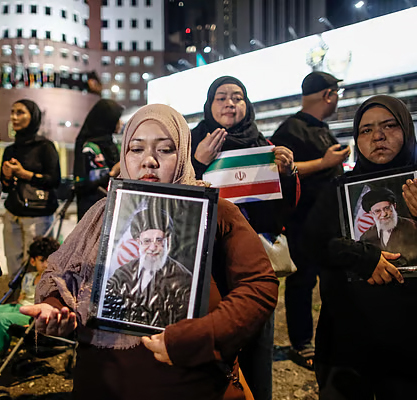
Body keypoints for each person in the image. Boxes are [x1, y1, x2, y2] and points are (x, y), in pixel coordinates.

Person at [20, 103, 279, 400]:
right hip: (102, 383)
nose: (149, 161)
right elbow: (67, 278)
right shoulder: (102, 215)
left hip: (188, 385)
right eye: (136, 149)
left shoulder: (215, 213)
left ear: (183, 152)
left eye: (165, 149)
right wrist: (55, 308)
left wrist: (201, 336)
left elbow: (258, 286)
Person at [306, 95, 417, 399]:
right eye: (366, 130)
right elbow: (313, 244)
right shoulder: (337, 192)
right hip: (351, 345)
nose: (378, 136)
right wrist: (360, 257)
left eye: (389, 126)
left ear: (406, 128)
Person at [190, 76, 298, 399]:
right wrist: (196, 162)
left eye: (237, 97)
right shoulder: (192, 143)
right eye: (221, 97)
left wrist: (286, 174)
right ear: (209, 105)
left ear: (247, 105)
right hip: (206, 263)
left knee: (256, 339)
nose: (230, 104)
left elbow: (283, 209)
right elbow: (176, 198)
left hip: (252, 261)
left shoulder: (263, 146)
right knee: (210, 343)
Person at [269, 71, 349, 370]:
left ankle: (333, 338)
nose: (337, 100)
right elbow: (276, 169)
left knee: (332, 280)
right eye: (337, 94)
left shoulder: (321, 128)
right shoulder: (291, 129)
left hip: (329, 221)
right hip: (303, 221)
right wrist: (324, 163)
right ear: (328, 95)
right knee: (301, 283)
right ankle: (301, 343)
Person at [0, 236, 60, 371]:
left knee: (2, 319)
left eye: (49, 261)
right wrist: (0, 307)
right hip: (19, 306)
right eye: (42, 261)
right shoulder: (28, 278)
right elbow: (20, 300)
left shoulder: (53, 282)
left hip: (32, 314)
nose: (46, 265)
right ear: (33, 261)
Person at [103, 207, 192, 327]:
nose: (152, 248)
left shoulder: (183, 279)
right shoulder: (122, 273)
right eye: (147, 241)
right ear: (138, 242)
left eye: (159, 240)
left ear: (168, 241)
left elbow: (183, 325)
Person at [0, 99, 61, 277]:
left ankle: (35, 295)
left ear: (33, 116)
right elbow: (5, 188)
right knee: (13, 263)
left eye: (20, 112)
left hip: (38, 215)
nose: (14, 117)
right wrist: (6, 176)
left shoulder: (45, 146)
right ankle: (17, 294)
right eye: (12, 112)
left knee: (37, 267)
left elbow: (54, 180)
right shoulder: (10, 149)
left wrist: (24, 173)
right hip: (13, 213)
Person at [73, 99, 123, 221]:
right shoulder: (88, 148)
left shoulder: (113, 146)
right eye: (117, 119)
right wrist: (112, 173)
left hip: (113, 212)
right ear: (107, 121)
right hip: (93, 214)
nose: (121, 123)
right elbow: (82, 186)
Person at [358, 186, 417, 266]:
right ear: (371, 213)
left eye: (387, 208)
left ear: (394, 206)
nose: (384, 214)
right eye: (377, 211)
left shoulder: (415, 228)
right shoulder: (366, 237)